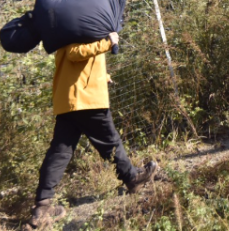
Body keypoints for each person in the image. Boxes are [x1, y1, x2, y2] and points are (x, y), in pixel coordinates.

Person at [28, 31, 158, 228]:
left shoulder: (69, 27)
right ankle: (132, 178)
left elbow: (80, 62)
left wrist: (102, 76)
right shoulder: (79, 28)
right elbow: (75, 53)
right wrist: (107, 42)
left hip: (70, 99)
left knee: (60, 152)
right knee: (110, 142)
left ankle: (42, 205)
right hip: (85, 98)